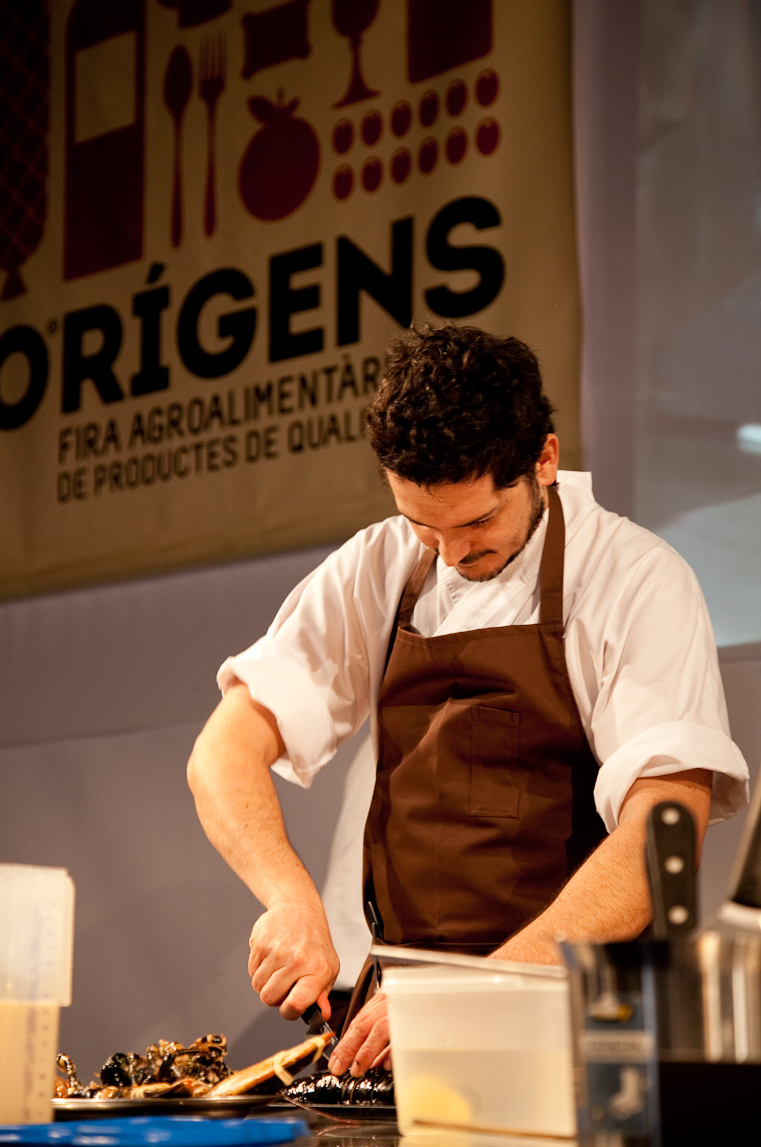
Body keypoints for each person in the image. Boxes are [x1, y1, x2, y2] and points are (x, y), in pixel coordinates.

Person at [187, 323, 748, 1079]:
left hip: (575, 1016)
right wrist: (289, 898)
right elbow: (223, 752)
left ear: (544, 460)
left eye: (479, 521)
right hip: (399, 1016)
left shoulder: (634, 577)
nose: (452, 553)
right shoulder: (380, 564)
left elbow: (664, 832)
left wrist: (481, 994)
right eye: (424, 524)